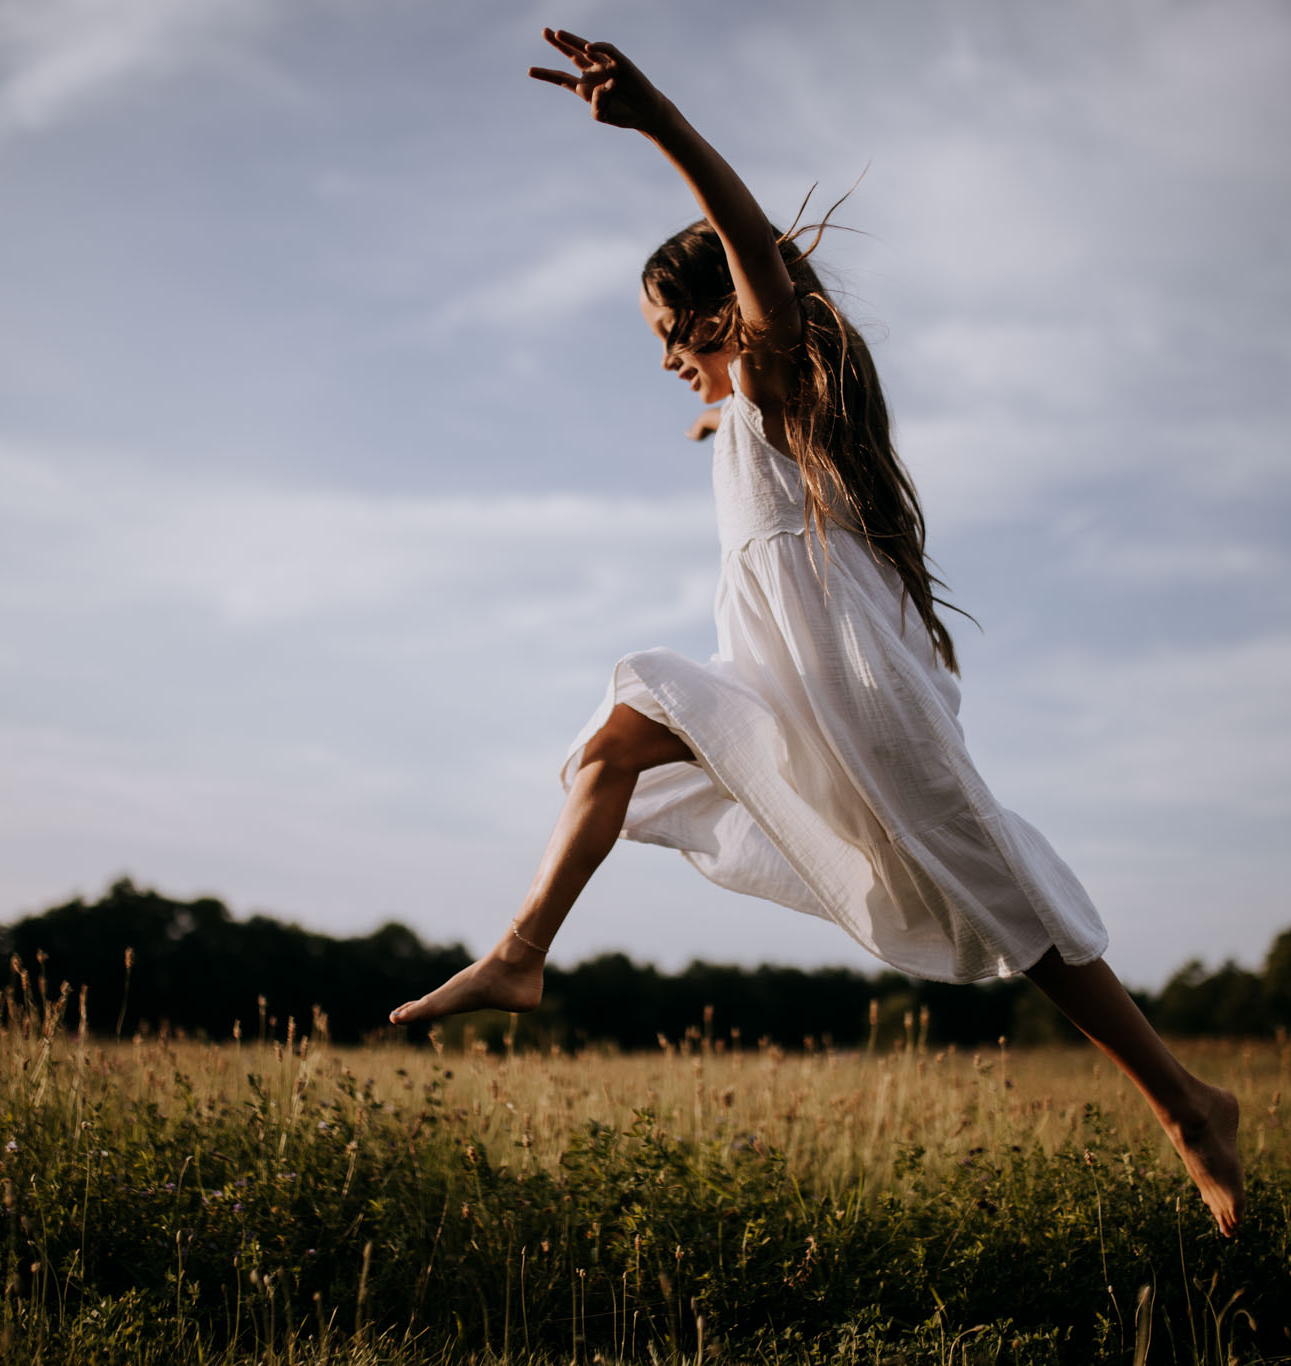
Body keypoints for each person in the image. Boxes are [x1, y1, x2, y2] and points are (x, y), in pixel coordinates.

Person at [390, 29, 1245, 1237]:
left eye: (671, 334)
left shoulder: (773, 374)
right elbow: (755, 400)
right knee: (613, 742)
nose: (667, 361)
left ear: (722, 320)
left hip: (852, 676)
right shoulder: (750, 419)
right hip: (774, 671)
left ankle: (1183, 1104)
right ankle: (521, 950)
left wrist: (662, 124)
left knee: (980, 879)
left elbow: (761, 273)